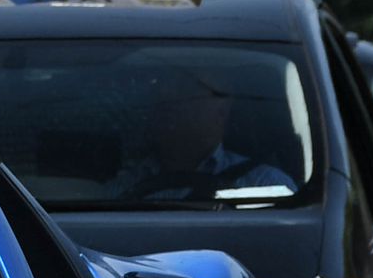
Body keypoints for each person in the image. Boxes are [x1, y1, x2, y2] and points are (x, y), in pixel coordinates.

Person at [110, 69, 297, 200]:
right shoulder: (115, 192)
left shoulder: (269, 188)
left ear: (222, 109)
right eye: (160, 88)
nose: (168, 97)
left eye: (188, 89)